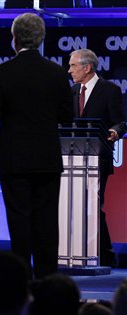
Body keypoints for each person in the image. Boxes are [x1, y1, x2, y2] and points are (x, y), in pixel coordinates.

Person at [0, 12, 74, 279]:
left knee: (19, 221)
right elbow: (67, 117)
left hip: (15, 160)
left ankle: (20, 279)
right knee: (46, 221)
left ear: (14, 39)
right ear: (41, 38)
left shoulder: (1, 72)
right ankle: (48, 280)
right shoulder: (56, 73)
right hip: (46, 159)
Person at [68, 48, 126, 267]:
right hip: (72, 159)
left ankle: (104, 252)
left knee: (93, 204)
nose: (69, 70)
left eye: (73, 65)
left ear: (87, 67)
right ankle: (76, 250)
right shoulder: (72, 92)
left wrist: (115, 132)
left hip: (98, 158)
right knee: (74, 205)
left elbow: (121, 121)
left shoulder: (109, 90)